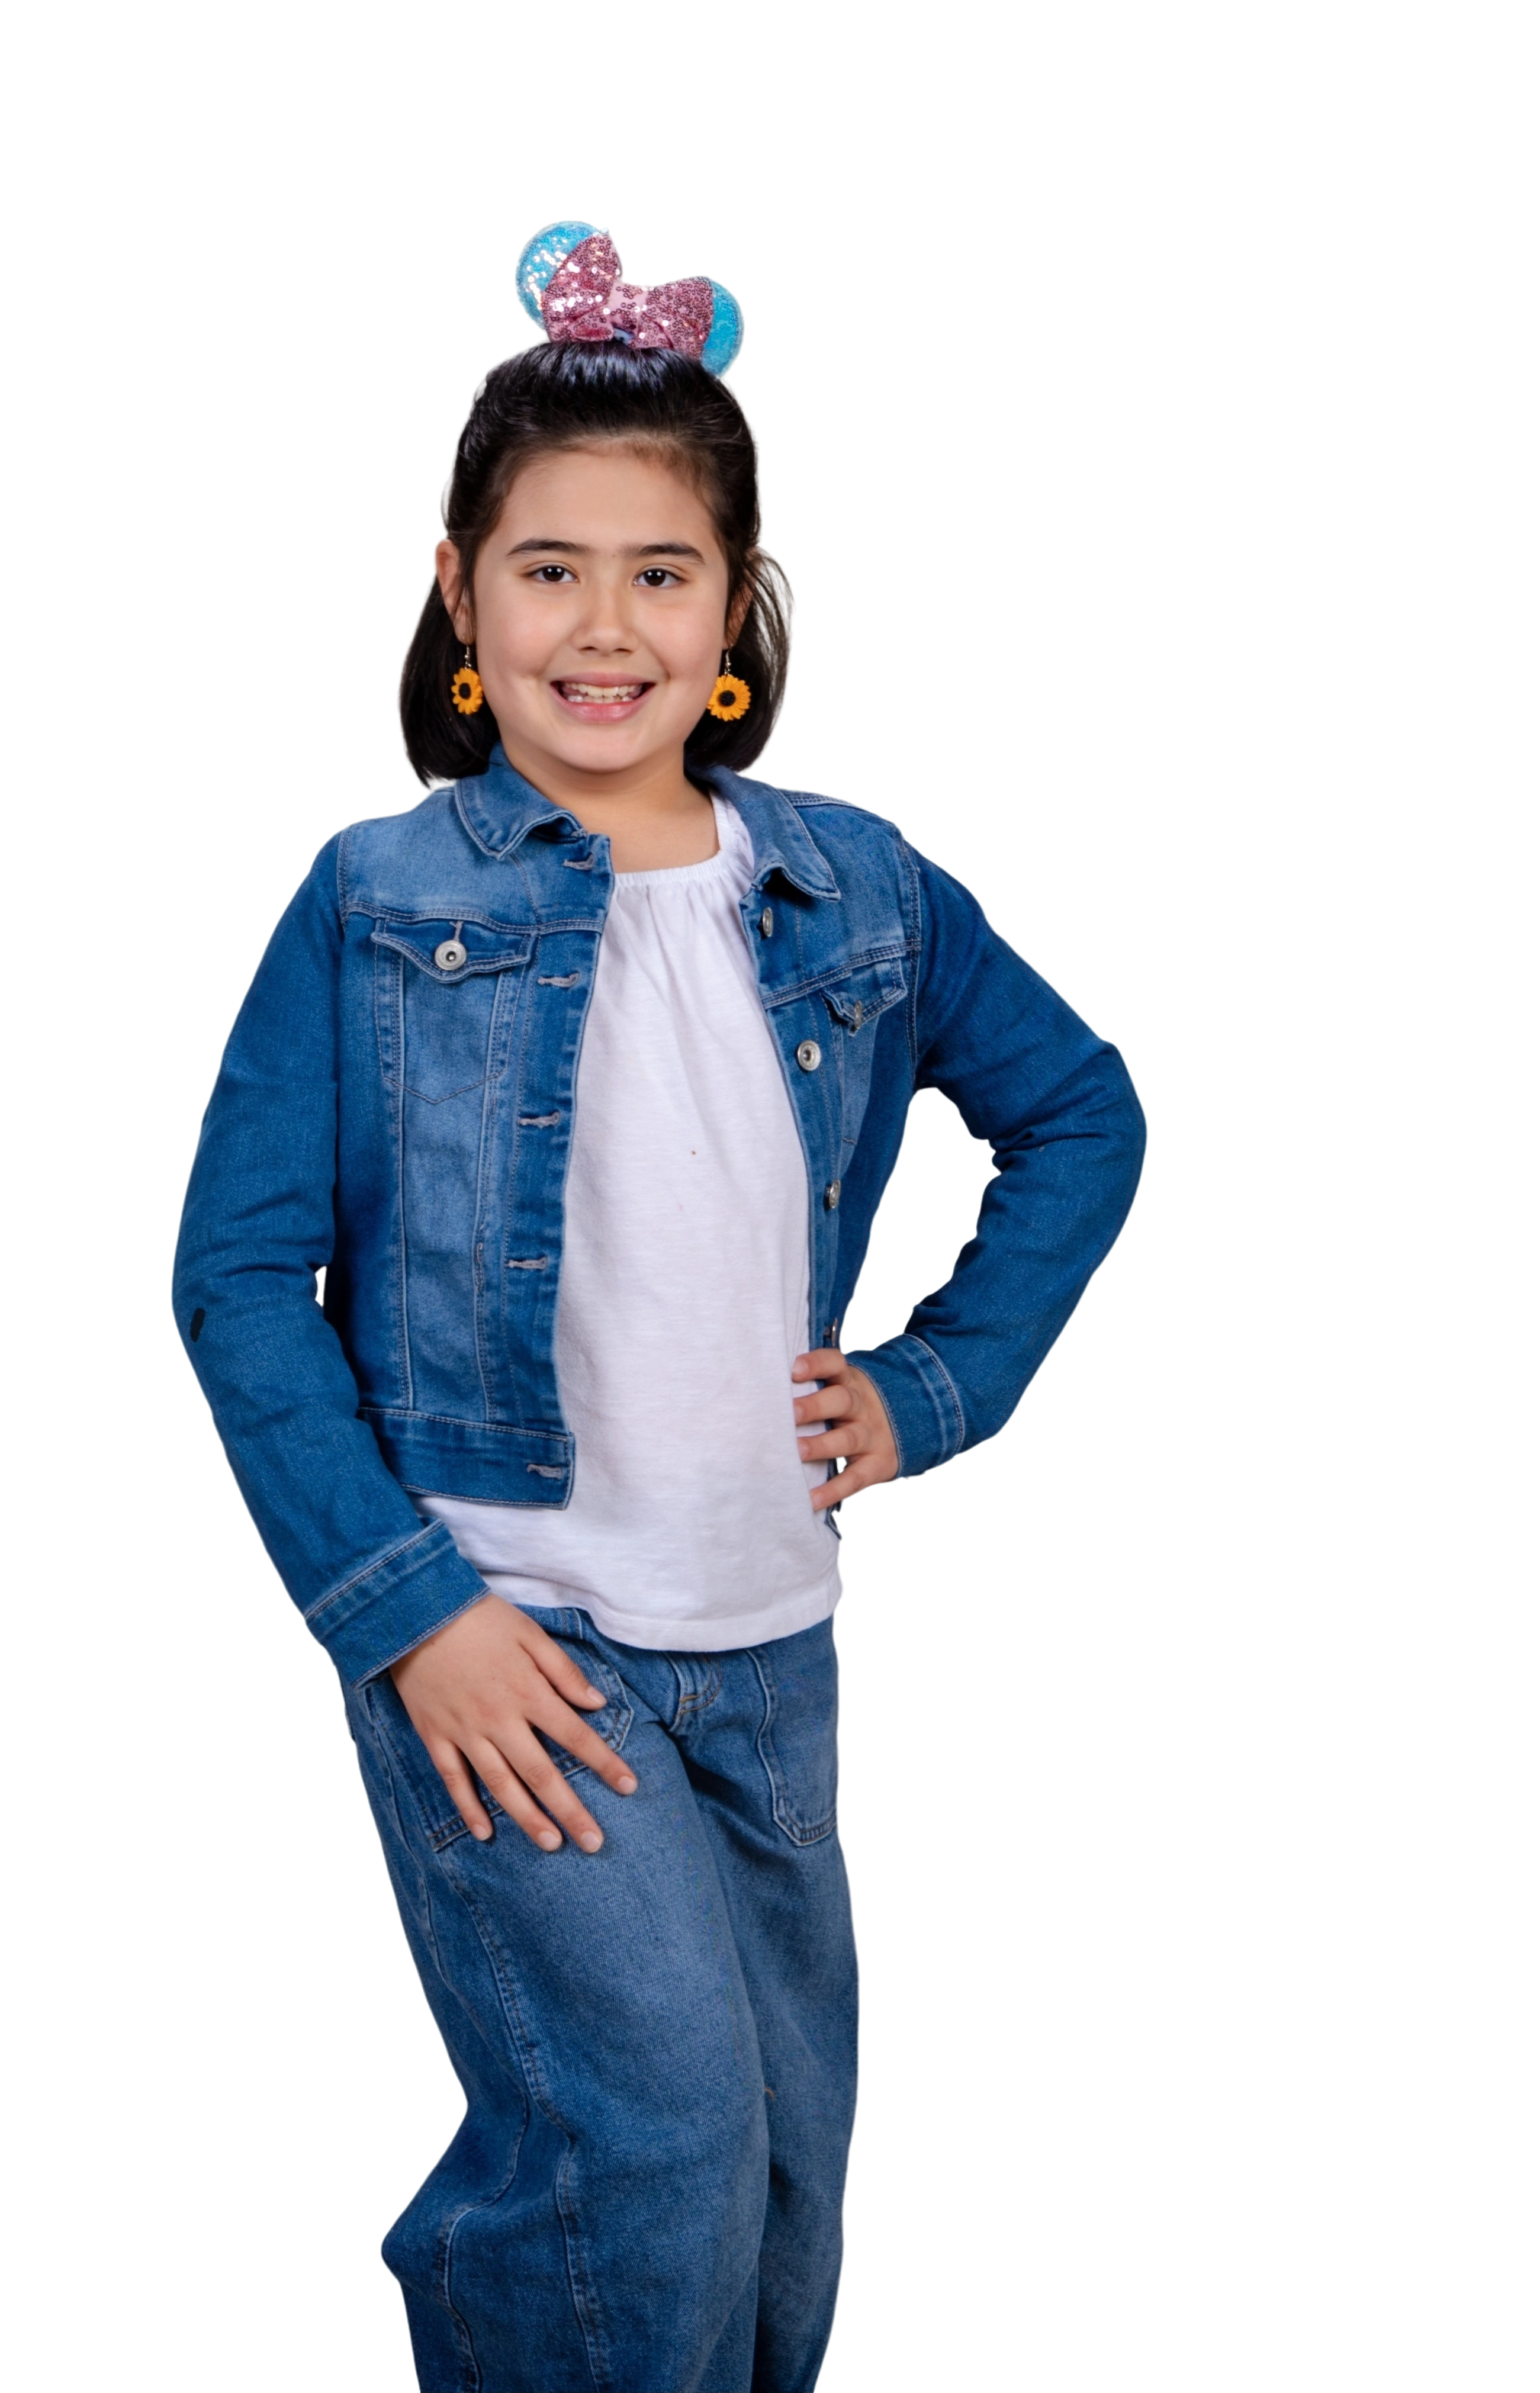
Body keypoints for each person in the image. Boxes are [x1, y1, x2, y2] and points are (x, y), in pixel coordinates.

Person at [170, 222, 1149, 2393]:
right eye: (549, 569)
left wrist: (943, 1382)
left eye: (660, 572)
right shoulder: (374, 903)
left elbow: (1082, 1114)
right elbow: (234, 1275)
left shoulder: (856, 885)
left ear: (733, 612)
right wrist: (408, 1611)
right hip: (517, 1641)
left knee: (786, 2186)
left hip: (768, 1642)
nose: (602, 626)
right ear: (458, 595)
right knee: (654, 2155)